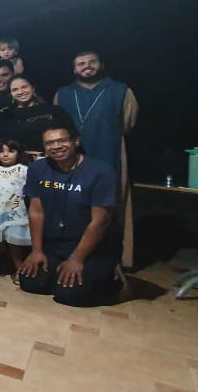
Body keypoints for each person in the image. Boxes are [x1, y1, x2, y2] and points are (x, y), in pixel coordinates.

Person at [19, 126, 122, 306]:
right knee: (30, 282)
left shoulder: (101, 172)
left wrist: (77, 258)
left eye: (62, 141)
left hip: (93, 248)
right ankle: (61, 274)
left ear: (76, 141)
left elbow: (101, 222)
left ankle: (110, 277)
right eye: (50, 143)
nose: (56, 146)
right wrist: (36, 251)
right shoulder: (37, 168)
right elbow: (36, 211)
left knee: (69, 295)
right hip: (56, 245)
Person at [54, 51, 138, 266]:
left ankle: (114, 259)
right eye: (81, 64)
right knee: (72, 205)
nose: (87, 66)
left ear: (101, 64)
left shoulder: (120, 91)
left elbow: (128, 123)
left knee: (110, 206)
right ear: (74, 69)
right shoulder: (63, 93)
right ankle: (70, 254)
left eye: (92, 62)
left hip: (108, 152)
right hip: (70, 158)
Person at [0, 138, 31, 284]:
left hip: (15, 213)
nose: (5, 155)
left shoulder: (24, 170)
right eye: (1, 151)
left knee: (14, 243)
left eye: (11, 151)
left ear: (18, 153)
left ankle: (19, 269)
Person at [8, 76, 75, 160]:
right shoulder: (9, 116)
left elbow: (71, 134)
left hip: (57, 157)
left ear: (33, 88)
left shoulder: (54, 110)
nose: (20, 92)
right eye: (15, 90)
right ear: (10, 93)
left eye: (24, 87)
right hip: (24, 161)